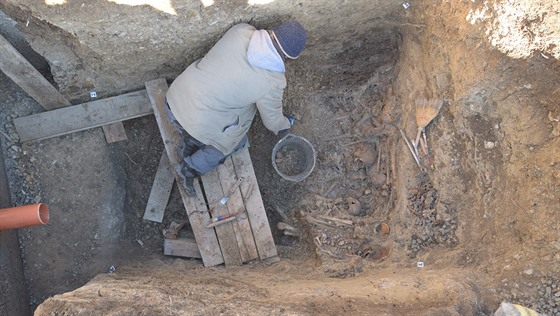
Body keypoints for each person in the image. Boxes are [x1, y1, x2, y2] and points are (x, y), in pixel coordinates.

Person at [165, 20, 307, 197]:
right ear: (290, 57)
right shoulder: (273, 82)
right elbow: (272, 122)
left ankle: (189, 141)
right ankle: (188, 168)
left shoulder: (240, 31)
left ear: (273, 31)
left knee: (223, 104)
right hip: (197, 121)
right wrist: (285, 124)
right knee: (232, 142)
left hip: (175, 98)